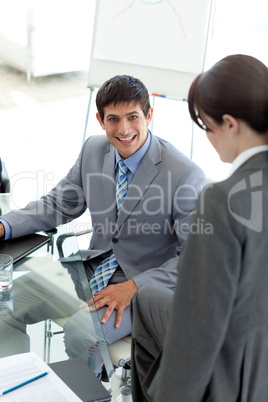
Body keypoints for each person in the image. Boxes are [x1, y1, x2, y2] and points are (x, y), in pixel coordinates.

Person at [0, 75, 206, 376]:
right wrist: (4, 225)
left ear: (148, 115)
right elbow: (58, 204)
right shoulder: (94, 151)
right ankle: (14, 381)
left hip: (144, 287)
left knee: (82, 334)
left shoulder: (185, 175)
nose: (124, 129)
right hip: (91, 269)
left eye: (133, 117)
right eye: (114, 119)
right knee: (6, 303)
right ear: (101, 120)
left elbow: (194, 259)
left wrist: (135, 287)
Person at [131, 53, 268, 401]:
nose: (208, 137)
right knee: (147, 299)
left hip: (239, 375)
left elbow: (198, 331)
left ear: (231, 123)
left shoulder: (222, 202)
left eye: (207, 127)